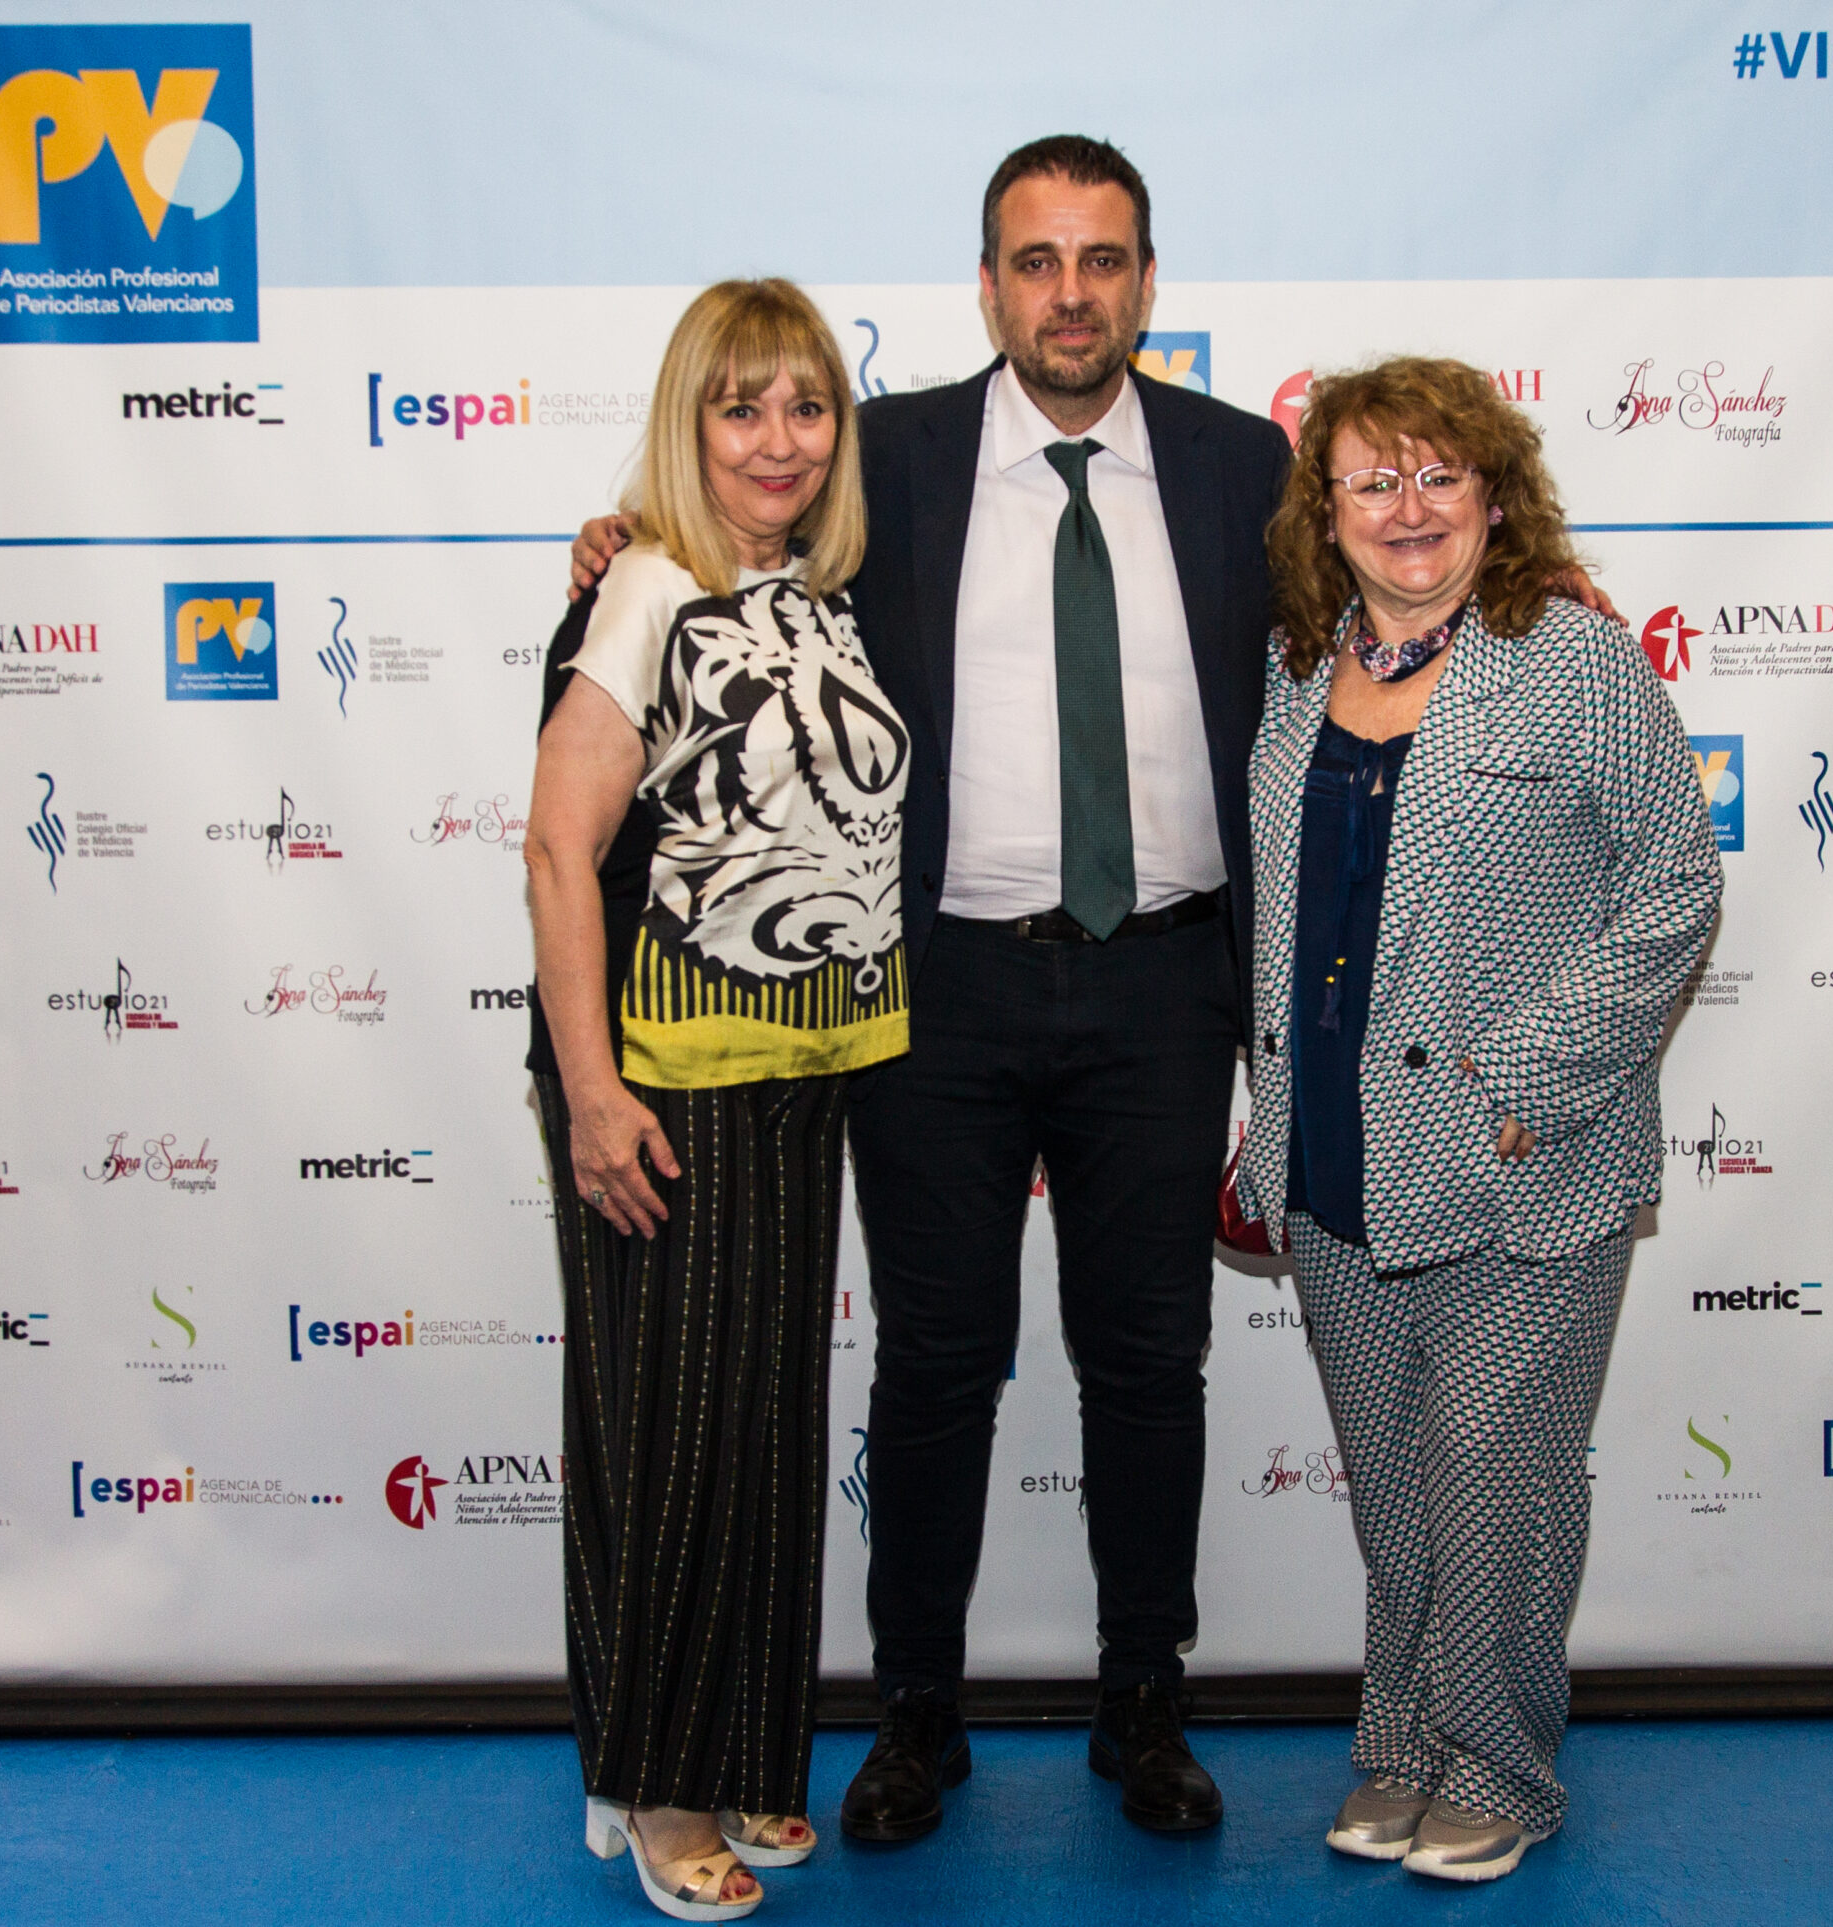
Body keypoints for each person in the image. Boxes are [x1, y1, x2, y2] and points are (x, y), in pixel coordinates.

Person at [568, 137, 1623, 1846]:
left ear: (1146, 283)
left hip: (1164, 988)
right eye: (1038, 262)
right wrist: (621, 536)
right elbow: (726, 538)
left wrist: (1535, 590)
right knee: (935, 1363)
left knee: (1150, 1363)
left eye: (1103, 260)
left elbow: (1397, 579)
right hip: (938, 992)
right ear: (989, 288)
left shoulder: (1243, 465)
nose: (1072, 295)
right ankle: (917, 1711)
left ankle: (1147, 1701)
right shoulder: (883, 458)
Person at [1235, 357, 1720, 1883]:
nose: (1409, 508)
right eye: (1373, 479)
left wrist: (1536, 1075)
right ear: (1328, 511)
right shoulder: (1297, 669)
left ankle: (1500, 1766)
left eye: (1441, 475)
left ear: (1495, 499)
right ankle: (1403, 1745)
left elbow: (1676, 888)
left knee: (1497, 1476)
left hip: (1522, 1157)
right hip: (1332, 1151)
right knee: (1393, 1485)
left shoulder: (1574, 662)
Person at [524, 277, 909, 1920]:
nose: (777, 439)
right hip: (659, 1084)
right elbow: (559, 847)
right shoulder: (651, 586)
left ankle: (740, 1753)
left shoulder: (815, 593)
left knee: (759, 1429)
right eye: (740, 407)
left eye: (807, 405)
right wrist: (591, 1094)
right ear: (688, 424)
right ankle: (655, 1783)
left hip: (794, 1074)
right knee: (670, 1441)